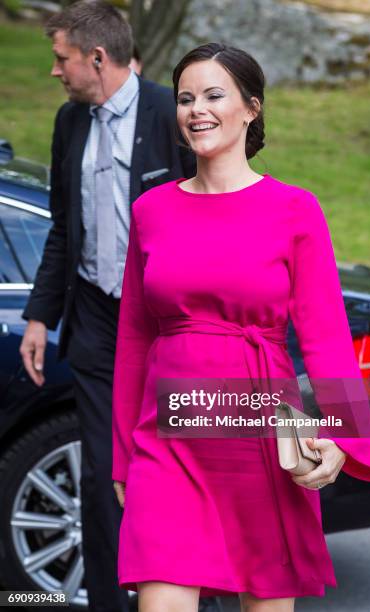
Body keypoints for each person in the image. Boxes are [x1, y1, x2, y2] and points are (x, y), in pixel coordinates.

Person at [112, 42, 370, 612]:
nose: (197, 109)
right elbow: (134, 340)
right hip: (168, 438)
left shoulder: (295, 210)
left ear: (251, 108)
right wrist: (122, 455)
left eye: (214, 95)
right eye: (186, 98)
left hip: (258, 431)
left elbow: (327, 336)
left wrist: (340, 432)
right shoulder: (151, 211)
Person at [19, 1, 195, 611]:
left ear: (97, 58)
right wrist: (41, 315)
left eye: (60, 58)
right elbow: (64, 228)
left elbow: (205, 215)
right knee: (100, 478)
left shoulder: (168, 113)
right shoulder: (70, 122)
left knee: (174, 473)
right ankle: (107, 602)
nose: (54, 71)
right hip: (95, 318)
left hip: (166, 326)